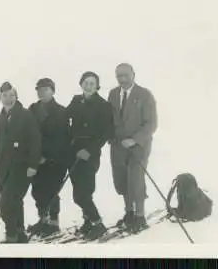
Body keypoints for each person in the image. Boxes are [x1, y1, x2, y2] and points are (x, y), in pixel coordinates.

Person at [108, 63, 158, 232]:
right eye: (119, 76)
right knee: (121, 180)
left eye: (125, 75)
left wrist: (135, 140)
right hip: (118, 145)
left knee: (135, 179)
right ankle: (129, 212)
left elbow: (151, 123)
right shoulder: (113, 94)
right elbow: (111, 119)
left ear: (133, 74)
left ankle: (139, 216)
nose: (122, 79)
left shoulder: (144, 95)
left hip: (138, 146)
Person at [66, 71, 114, 240]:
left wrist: (90, 150)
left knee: (83, 193)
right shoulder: (75, 100)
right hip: (73, 151)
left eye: (92, 83)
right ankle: (88, 221)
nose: (88, 86)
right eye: (86, 82)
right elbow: (65, 118)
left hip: (89, 153)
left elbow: (106, 132)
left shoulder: (103, 105)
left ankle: (97, 224)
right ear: (81, 83)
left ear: (97, 86)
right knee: (78, 190)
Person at [0, 81, 42, 243]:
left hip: (21, 167)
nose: (8, 99)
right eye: (5, 96)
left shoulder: (26, 115)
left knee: (6, 203)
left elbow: (35, 141)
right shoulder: (0, 118)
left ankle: (11, 235)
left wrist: (33, 165)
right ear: (0, 97)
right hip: (3, 168)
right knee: (14, 201)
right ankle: (20, 233)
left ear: (16, 96)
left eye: (11, 95)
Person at [28, 78, 70, 237]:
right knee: (37, 191)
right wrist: (34, 156)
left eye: (46, 89)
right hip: (36, 159)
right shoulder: (32, 109)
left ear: (53, 91)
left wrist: (47, 156)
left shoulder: (61, 111)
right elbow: (29, 134)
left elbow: (62, 139)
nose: (42, 92)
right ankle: (42, 220)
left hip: (55, 160)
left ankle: (53, 222)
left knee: (52, 190)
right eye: (39, 89)